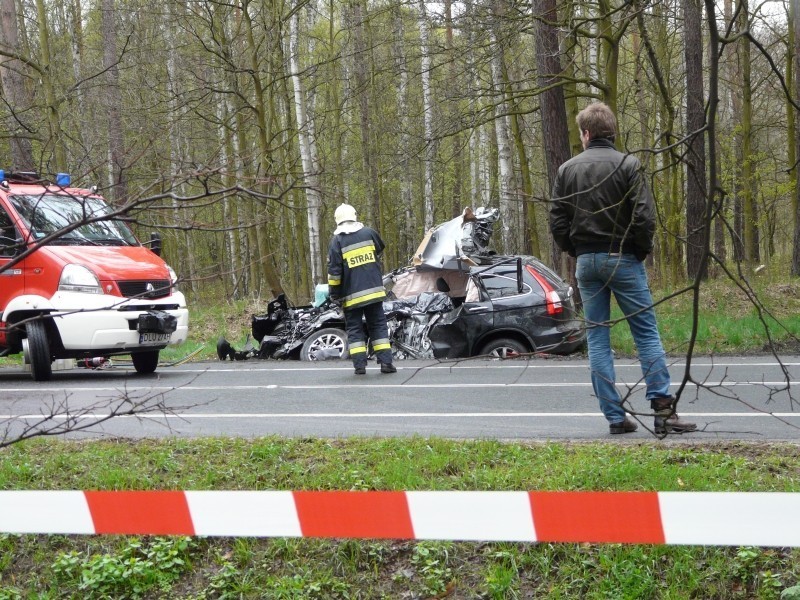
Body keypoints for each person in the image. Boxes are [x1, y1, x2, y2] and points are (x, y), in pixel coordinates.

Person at [549, 102, 696, 435]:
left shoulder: (567, 170)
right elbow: (644, 216)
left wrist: (576, 250)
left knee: (598, 339)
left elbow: (557, 221)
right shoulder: (629, 165)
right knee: (645, 334)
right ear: (611, 132)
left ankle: (615, 418)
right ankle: (662, 409)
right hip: (623, 257)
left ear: (586, 134)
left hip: (587, 262)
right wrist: (639, 250)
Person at [327, 203, 396, 375]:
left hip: (351, 296)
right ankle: (386, 363)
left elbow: (334, 273)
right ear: (354, 215)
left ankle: (360, 366)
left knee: (355, 329)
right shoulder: (369, 233)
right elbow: (380, 248)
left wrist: (334, 294)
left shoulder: (337, 241)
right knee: (378, 326)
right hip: (374, 291)